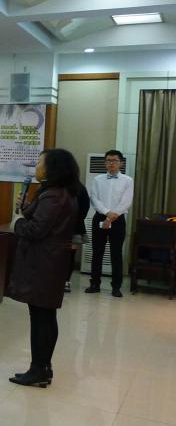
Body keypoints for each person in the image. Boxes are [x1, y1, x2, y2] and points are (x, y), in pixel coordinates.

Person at [7, 148, 80, 388]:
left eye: (40, 162)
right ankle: (43, 367)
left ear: (52, 168)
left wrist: (17, 223)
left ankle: (38, 369)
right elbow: (43, 220)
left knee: (41, 318)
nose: (36, 166)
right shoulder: (59, 193)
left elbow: (36, 229)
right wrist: (26, 207)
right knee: (45, 316)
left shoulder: (53, 196)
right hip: (50, 262)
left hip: (43, 263)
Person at [86, 149, 133, 297]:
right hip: (100, 217)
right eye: (109, 160)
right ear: (105, 163)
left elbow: (126, 202)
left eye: (115, 160)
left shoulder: (128, 180)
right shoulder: (97, 179)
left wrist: (111, 217)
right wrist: (106, 213)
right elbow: (94, 199)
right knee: (97, 252)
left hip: (118, 220)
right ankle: (95, 284)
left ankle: (116, 287)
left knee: (116, 253)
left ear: (121, 163)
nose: (111, 163)